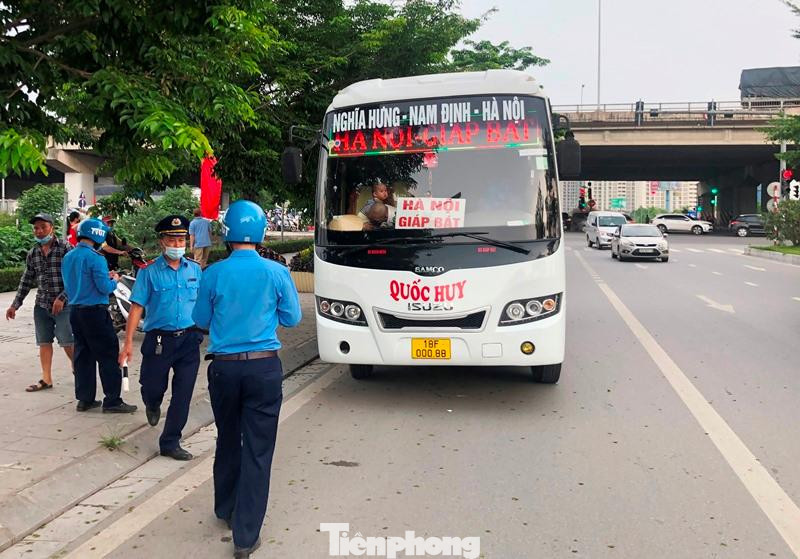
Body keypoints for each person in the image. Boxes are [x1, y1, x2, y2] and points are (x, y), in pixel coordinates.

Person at [193, 200, 302, 558]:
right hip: (263, 368)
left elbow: (202, 319)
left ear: (227, 234)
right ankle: (245, 536)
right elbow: (292, 318)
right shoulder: (275, 272)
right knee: (257, 449)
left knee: (227, 437)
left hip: (224, 367)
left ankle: (225, 509)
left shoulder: (213, 273)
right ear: (260, 233)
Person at [119, 215, 202, 461]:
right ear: (162, 241)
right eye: (172, 239)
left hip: (189, 339)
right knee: (153, 386)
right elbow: (136, 308)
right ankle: (152, 403)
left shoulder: (195, 270)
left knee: (183, 394)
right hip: (159, 341)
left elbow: (208, 304)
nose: (177, 244)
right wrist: (127, 345)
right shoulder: (149, 273)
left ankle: (170, 442)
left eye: (181, 239)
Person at [62, 218, 137, 413]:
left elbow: (69, 284)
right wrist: (115, 279)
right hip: (95, 312)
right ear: (98, 235)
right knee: (107, 355)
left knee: (83, 355)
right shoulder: (96, 258)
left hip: (75, 312)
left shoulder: (69, 257)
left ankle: (85, 399)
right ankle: (112, 400)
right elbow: (104, 288)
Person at [5, 213, 74, 392]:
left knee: (67, 341)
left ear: (52, 227)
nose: (40, 231)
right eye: (36, 228)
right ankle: (46, 378)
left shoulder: (66, 248)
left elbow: (76, 277)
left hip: (64, 306)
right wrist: (15, 305)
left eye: (43, 226)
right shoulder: (33, 252)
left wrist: (62, 298)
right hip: (42, 305)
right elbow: (26, 279)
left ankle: (79, 369)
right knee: (44, 342)